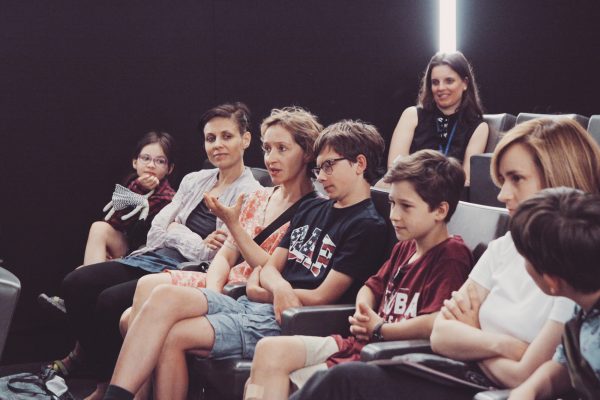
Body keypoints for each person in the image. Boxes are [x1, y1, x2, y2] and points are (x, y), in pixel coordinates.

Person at [288, 118, 600, 400]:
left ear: (560, 177)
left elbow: (524, 375)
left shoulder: (574, 265)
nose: (502, 194)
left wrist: (472, 337)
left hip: (488, 390)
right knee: (338, 381)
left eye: (516, 178)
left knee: (343, 383)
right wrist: (499, 344)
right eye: (503, 180)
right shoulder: (504, 247)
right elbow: (441, 334)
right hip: (458, 373)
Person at [102, 120, 389, 400]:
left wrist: (267, 289)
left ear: (359, 164)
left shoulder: (367, 225)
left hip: (287, 319)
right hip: (251, 301)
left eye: (329, 166)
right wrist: (278, 288)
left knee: (173, 335)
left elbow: (322, 296)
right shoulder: (313, 209)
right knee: (163, 296)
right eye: (320, 167)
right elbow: (267, 270)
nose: (322, 176)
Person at [60, 102, 261, 400]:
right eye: (210, 138)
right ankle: (102, 378)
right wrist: (188, 236)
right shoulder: (194, 180)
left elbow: (213, 256)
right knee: (76, 284)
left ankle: (110, 387)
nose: (217, 144)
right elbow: (157, 230)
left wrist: (176, 230)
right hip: (154, 255)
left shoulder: (252, 193)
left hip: (186, 271)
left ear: (245, 140)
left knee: (108, 301)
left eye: (226, 136)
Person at [246, 149, 473, 400]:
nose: (394, 216)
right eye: (392, 203)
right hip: (360, 343)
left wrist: (381, 328)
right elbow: (370, 287)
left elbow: (436, 321)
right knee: (268, 351)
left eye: (406, 206)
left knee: (289, 381)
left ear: (440, 211)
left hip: (390, 358)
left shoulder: (452, 255)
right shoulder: (405, 247)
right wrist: (365, 310)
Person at [121, 106, 323, 337]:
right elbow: (223, 256)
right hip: (216, 279)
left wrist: (230, 225)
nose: (271, 159)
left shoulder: (315, 209)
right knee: (136, 301)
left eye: (282, 149)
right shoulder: (258, 197)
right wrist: (212, 294)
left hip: (244, 291)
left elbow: (275, 270)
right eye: (267, 149)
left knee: (144, 309)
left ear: (307, 153)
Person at [39, 130, 176, 375]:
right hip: (126, 250)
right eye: (145, 158)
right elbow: (113, 221)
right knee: (99, 228)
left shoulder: (169, 198)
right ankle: (89, 276)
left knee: (84, 286)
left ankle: (76, 355)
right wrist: (136, 190)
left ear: (169, 168)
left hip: (146, 256)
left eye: (160, 161)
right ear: (135, 162)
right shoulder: (131, 187)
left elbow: (149, 236)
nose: (151, 165)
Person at [508, 188, 600, 400]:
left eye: (526, 259)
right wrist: (529, 390)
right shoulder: (584, 302)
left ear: (553, 282)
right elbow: (564, 364)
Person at [378, 51, 488, 187]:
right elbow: (394, 168)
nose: (440, 88)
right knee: (382, 185)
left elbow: (465, 181)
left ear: (465, 83)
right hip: (407, 188)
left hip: (448, 193)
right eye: (435, 82)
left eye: (449, 81)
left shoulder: (478, 127)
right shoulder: (411, 115)